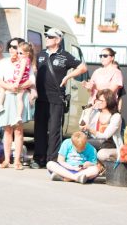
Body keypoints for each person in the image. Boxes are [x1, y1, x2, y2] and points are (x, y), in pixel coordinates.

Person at [32, 28, 87, 169]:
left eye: (50, 37)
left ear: (58, 40)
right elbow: (35, 71)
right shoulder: (41, 54)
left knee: (54, 130)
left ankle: (52, 159)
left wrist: (68, 77)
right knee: (39, 129)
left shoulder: (65, 55)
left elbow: (82, 68)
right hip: (41, 97)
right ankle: (39, 159)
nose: (47, 38)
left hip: (56, 97)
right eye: (46, 36)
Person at [0, 41, 37, 169]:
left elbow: (32, 80)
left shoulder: (25, 62)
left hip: (20, 95)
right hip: (8, 96)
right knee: (7, 130)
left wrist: (19, 86)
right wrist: (10, 87)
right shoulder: (4, 63)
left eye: (17, 48)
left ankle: (17, 161)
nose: (14, 50)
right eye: (12, 47)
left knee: (18, 130)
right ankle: (7, 160)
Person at [80, 88, 122, 164]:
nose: (98, 102)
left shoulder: (116, 116)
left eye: (101, 101)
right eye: (97, 100)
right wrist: (89, 112)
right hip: (95, 142)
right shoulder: (95, 113)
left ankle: (109, 165)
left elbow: (105, 136)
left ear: (109, 101)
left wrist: (90, 129)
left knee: (101, 154)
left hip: (110, 145)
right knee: (74, 143)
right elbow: (81, 125)